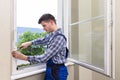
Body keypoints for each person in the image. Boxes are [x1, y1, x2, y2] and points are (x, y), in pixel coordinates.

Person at [11, 13, 68, 80]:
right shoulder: (52, 35)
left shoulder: (59, 38)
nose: (43, 28)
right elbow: (43, 40)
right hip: (51, 70)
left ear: (51, 22)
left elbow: (44, 58)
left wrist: (24, 57)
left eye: (44, 25)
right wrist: (29, 43)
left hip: (57, 72)